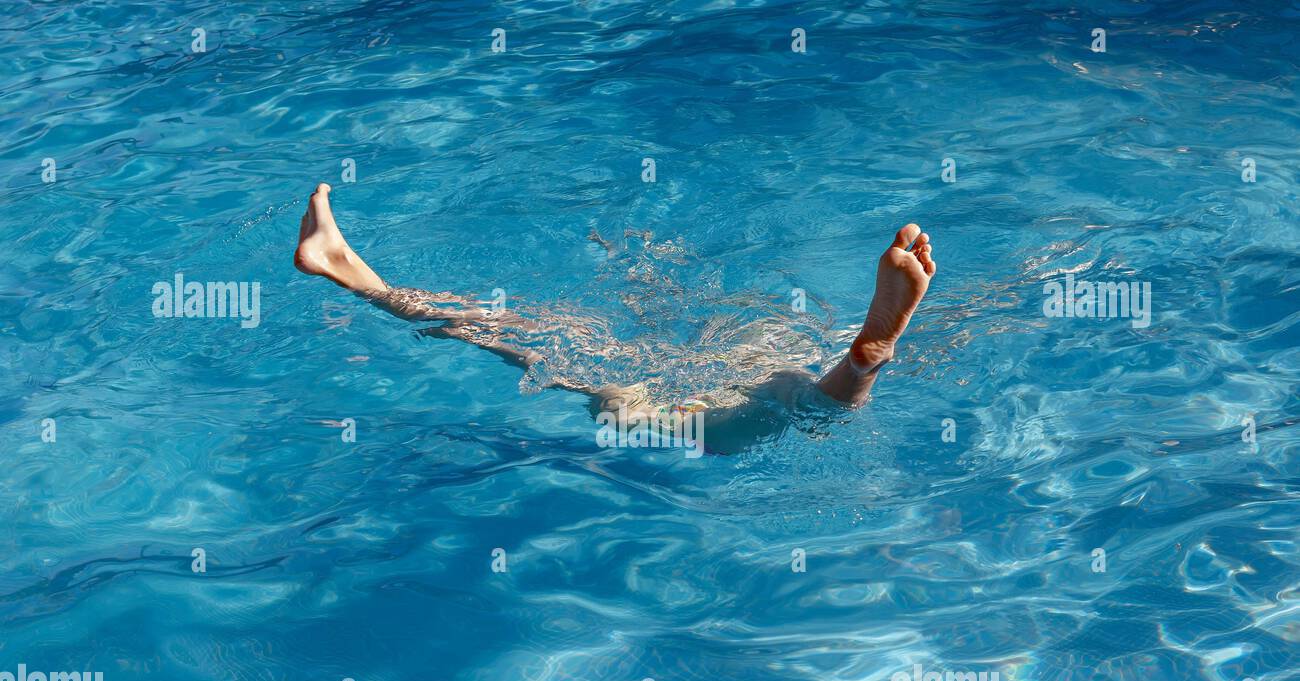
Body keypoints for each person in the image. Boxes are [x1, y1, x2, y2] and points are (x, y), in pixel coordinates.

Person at [293, 184, 937, 452]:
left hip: (675, 390)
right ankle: (864, 360)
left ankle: (358, 275)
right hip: (704, 384)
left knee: (528, 334)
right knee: (793, 401)